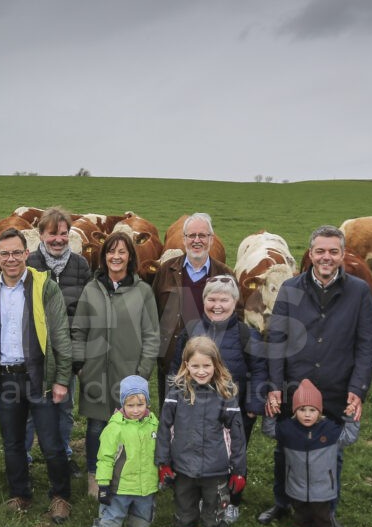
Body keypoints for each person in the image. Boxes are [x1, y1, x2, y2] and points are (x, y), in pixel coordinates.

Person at [259, 225, 372, 527]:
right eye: (320, 251)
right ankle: (283, 503)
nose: (326, 257)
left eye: (333, 251)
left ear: (342, 254)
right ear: (310, 254)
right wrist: (274, 385)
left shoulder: (359, 291)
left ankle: (328, 513)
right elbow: (277, 339)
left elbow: (367, 343)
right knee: (286, 447)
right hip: (294, 385)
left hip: (336, 385)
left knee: (331, 452)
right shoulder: (291, 289)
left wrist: (359, 388)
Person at [0, 227, 73, 521]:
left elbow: (60, 335)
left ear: (26, 253)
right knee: (12, 441)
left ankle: (60, 496)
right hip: (5, 376)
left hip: (39, 376)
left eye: (16, 252)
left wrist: (61, 379)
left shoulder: (45, 287)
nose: (11, 259)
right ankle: (20, 493)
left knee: (51, 441)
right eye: (4, 253)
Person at [71, 230, 160, 501]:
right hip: (95, 373)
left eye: (122, 251)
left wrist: (141, 375)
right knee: (97, 429)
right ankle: (95, 479)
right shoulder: (91, 289)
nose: (116, 256)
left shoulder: (143, 291)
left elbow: (151, 335)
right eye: (111, 251)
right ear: (104, 256)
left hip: (129, 375)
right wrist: (81, 368)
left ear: (131, 257)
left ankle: (125, 478)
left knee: (129, 430)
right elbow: (79, 331)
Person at [156, 337, 247, 527]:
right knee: (184, 513)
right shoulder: (176, 394)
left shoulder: (225, 395)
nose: (201, 371)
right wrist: (163, 463)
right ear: (186, 365)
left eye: (207, 366)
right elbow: (165, 429)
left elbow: (237, 435)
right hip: (183, 468)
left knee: (214, 515)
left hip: (216, 471)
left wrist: (239, 470)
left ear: (216, 365)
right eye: (195, 366)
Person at [25, 206, 92, 468]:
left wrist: (78, 354)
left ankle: (63, 454)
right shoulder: (29, 263)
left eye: (63, 234)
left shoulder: (80, 265)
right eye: (52, 234)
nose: (58, 239)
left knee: (64, 405)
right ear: (40, 234)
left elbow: (85, 313)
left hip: (67, 350)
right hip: (34, 350)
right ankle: (25, 457)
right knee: (31, 406)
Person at [169, 274, 267, 446]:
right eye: (211, 299)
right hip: (193, 411)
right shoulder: (190, 331)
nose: (217, 306)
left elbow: (259, 370)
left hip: (232, 414)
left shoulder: (247, 335)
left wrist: (252, 407)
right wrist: (174, 401)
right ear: (204, 300)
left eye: (224, 300)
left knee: (230, 458)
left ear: (235, 301)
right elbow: (176, 367)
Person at [83, 375, 160, 527]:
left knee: (142, 520)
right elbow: (105, 458)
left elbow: (160, 453)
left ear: (147, 403)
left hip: (146, 487)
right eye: (130, 405)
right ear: (123, 404)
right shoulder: (114, 428)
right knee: (111, 520)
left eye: (140, 404)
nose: (136, 410)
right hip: (120, 488)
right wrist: (103, 485)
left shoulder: (154, 425)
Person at [152, 212, 232, 398]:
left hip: (210, 365)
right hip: (171, 361)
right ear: (184, 239)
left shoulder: (225, 274)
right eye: (192, 236)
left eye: (202, 236)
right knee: (171, 416)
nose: (197, 240)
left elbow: (237, 318)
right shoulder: (166, 270)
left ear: (211, 239)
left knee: (207, 419)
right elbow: (154, 312)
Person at [278, 379, 361, 527]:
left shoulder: (330, 431)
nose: (307, 414)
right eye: (302, 410)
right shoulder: (288, 430)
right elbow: (269, 431)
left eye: (312, 410)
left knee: (321, 513)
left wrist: (351, 418)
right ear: (294, 411)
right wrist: (271, 413)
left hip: (322, 484)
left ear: (320, 411)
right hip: (296, 482)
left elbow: (349, 437)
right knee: (299, 508)